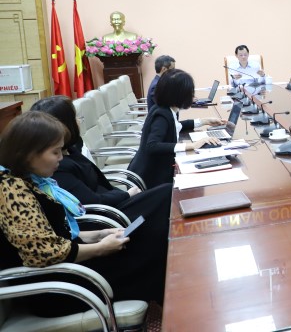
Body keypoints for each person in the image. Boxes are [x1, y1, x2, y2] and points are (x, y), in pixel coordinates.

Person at [0, 111, 167, 317]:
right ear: (29, 154)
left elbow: (57, 233)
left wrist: (98, 234)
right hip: (59, 287)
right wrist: (100, 248)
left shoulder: (28, 180)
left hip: (68, 271)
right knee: (152, 245)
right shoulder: (11, 190)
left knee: (152, 227)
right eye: (55, 152)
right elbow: (44, 253)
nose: (61, 158)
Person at [30, 96, 172, 225]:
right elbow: (91, 202)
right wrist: (127, 194)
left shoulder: (71, 150)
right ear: (65, 125)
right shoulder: (57, 166)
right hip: (111, 218)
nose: (79, 121)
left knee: (166, 193)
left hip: (115, 204)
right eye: (75, 117)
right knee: (166, 194)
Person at [128, 69, 225, 187]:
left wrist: (205, 121)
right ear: (179, 94)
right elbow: (152, 146)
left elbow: (175, 126)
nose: (193, 96)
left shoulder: (165, 109)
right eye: (190, 92)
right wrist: (192, 145)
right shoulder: (162, 115)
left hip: (154, 172)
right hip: (150, 178)